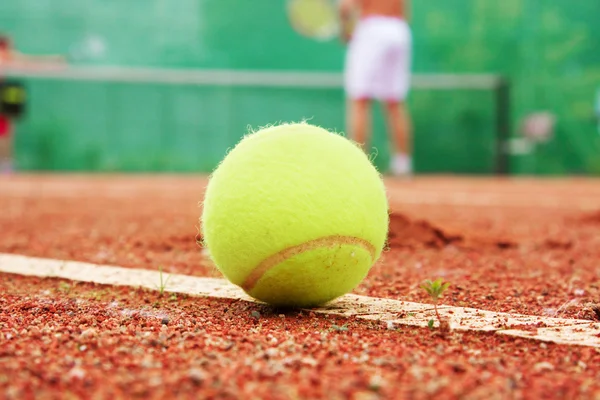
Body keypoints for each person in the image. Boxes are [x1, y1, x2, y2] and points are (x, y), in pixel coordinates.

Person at [339, 0, 413, 176]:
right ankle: (403, 164)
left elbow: (346, 6)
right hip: (399, 29)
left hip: (372, 29)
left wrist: (344, 28)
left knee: (359, 99)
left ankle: (358, 166)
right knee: (395, 101)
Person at [0, 33, 64, 173]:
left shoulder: (6, 56)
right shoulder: (4, 55)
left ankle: (6, 166)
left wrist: (52, 63)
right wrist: (53, 62)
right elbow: (28, 62)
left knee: (5, 132)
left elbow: (27, 62)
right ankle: (6, 166)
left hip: (3, 93)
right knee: (5, 134)